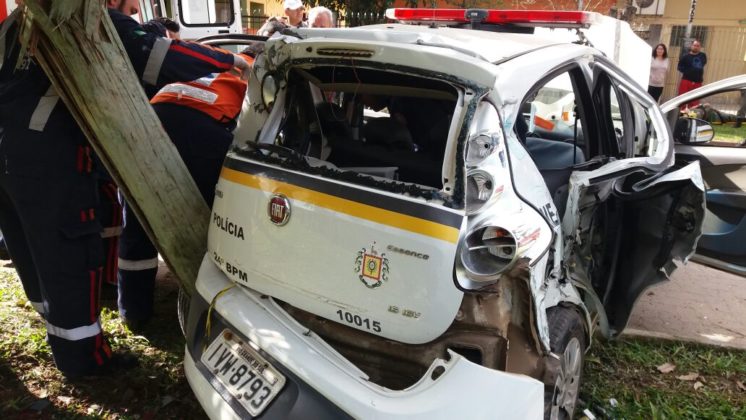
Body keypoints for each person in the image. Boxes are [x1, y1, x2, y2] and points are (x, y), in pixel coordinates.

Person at [0, 0, 250, 379]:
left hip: (7, 145)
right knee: (68, 252)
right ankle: (84, 358)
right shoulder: (84, 16)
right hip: (48, 152)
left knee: (29, 243)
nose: (133, 13)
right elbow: (159, 57)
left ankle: (56, 319)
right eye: (131, 7)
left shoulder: (18, 21)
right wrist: (232, 61)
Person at [107, 0, 252, 331]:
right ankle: (208, 304)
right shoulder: (252, 69)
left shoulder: (204, 56)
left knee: (138, 216)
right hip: (203, 131)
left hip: (152, 120)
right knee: (214, 220)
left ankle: (133, 311)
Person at [677, 39, 707, 108]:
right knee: (683, 101)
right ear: (691, 46)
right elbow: (679, 67)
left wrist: (694, 69)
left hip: (697, 82)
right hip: (686, 81)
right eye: (694, 45)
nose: (696, 47)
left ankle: (692, 114)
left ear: (700, 47)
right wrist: (688, 72)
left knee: (695, 102)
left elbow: (702, 64)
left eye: (698, 46)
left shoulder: (703, 55)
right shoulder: (685, 56)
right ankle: (682, 114)